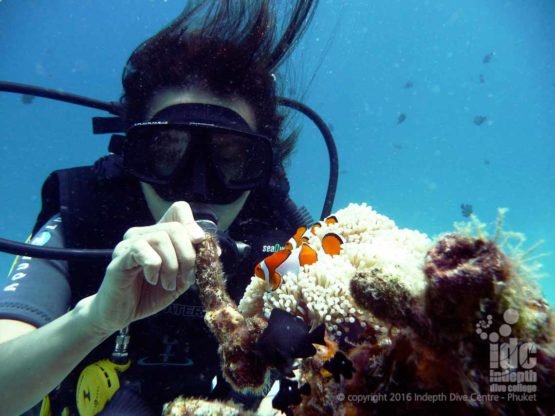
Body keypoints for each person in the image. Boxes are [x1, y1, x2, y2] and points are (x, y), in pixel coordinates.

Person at [0, 1, 318, 414]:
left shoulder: (284, 245)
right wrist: (94, 318)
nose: (196, 188)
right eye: (167, 151)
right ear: (133, 155)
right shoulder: (84, 214)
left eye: (230, 157)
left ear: (262, 168)